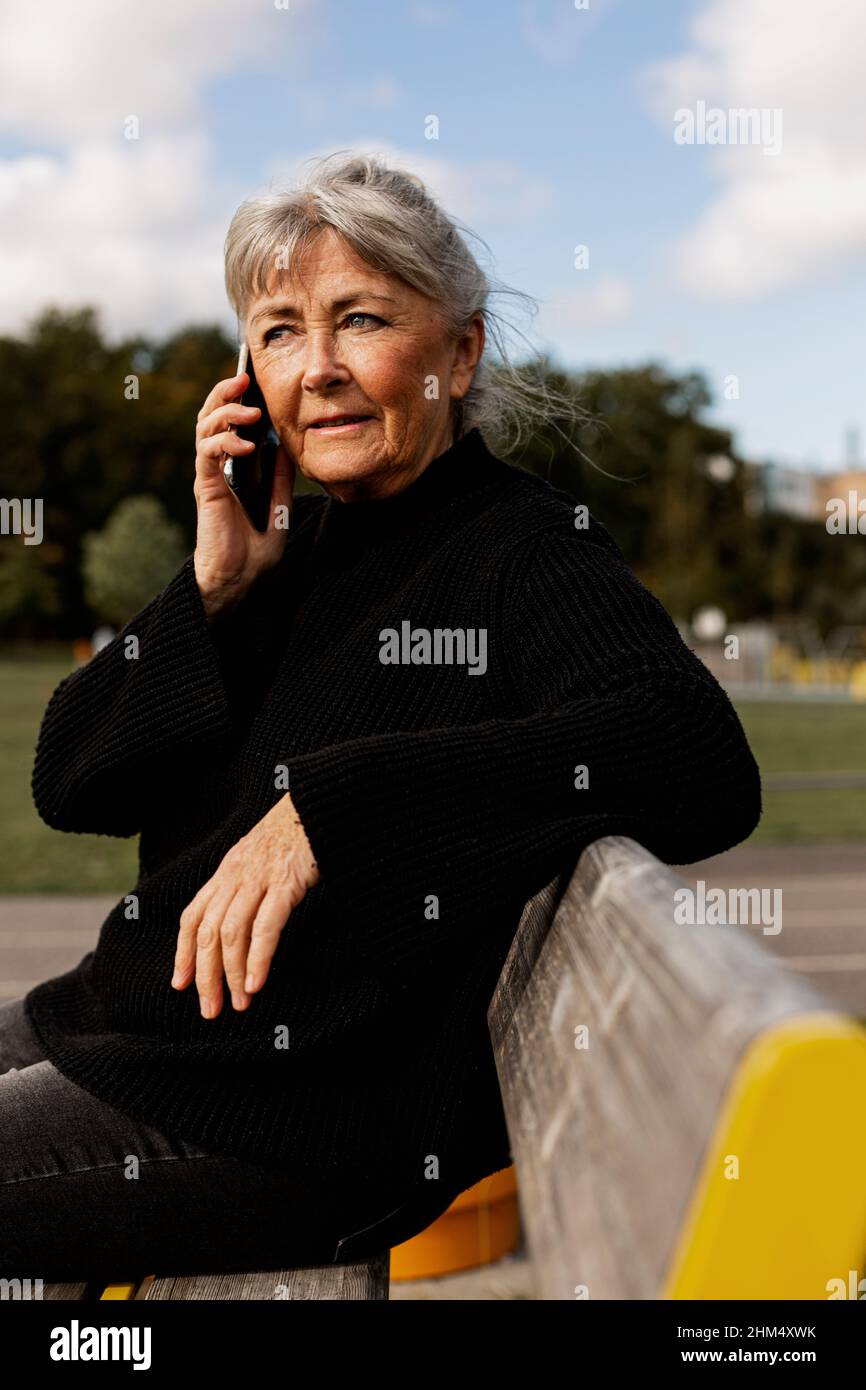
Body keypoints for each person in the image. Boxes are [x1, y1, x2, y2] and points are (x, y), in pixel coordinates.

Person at [0, 152, 761, 1281]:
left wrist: (332, 809)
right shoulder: (280, 559)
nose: (316, 371)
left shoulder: (524, 550)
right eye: (277, 331)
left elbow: (689, 749)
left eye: (359, 321)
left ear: (459, 351)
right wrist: (208, 589)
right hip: (124, 1035)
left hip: (275, 1123)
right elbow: (70, 781)